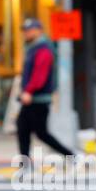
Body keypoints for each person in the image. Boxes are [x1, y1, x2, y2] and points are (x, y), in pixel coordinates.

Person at [16, 18, 74, 161]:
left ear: (38, 30)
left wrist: (29, 91)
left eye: (29, 30)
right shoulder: (33, 48)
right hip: (33, 98)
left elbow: (39, 75)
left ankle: (72, 156)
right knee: (24, 129)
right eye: (25, 31)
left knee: (40, 133)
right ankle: (25, 164)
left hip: (38, 99)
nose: (26, 33)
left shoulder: (43, 49)